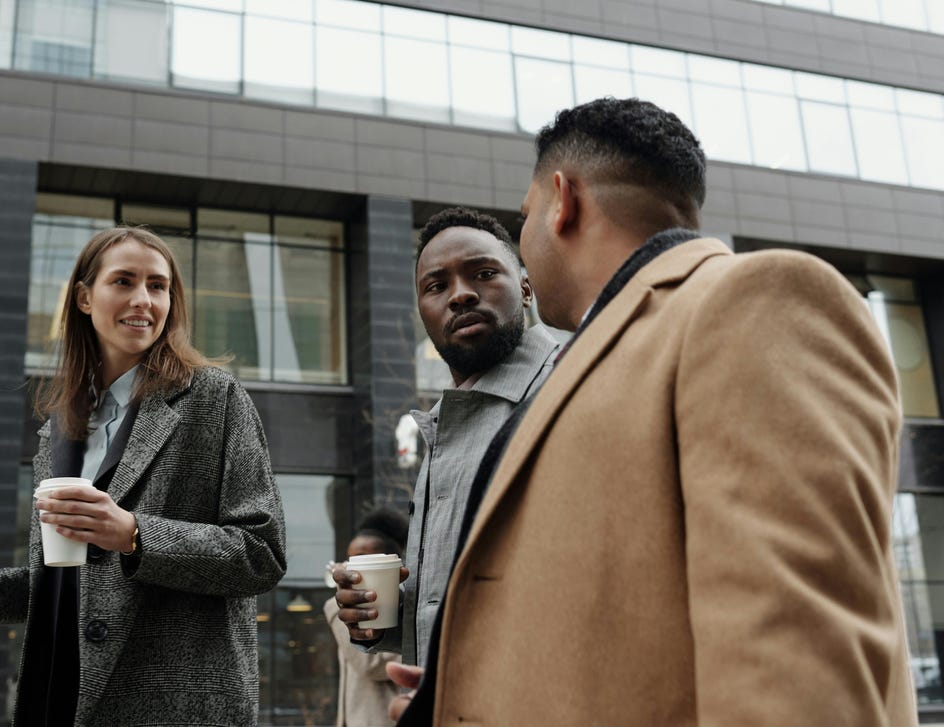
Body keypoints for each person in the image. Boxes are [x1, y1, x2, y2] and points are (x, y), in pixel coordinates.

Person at [392, 97, 916, 725]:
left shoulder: (757, 302)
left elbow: (795, 664)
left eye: (524, 217)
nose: (524, 243)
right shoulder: (598, 360)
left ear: (565, 201)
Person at [0, 226, 287, 726]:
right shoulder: (63, 427)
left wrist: (134, 534)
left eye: (158, 286)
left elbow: (261, 554)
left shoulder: (213, 399)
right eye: (124, 281)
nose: (143, 299)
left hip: (172, 707)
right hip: (60, 696)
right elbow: (69, 580)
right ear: (85, 298)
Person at [333, 207, 561, 668]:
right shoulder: (445, 423)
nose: (460, 295)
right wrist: (386, 618)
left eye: (483, 273)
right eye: (436, 286)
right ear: (423, 310)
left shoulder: (570, 389)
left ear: (525, 286)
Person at [324, 507, 410, 727]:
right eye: (350, 559)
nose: (352, 566)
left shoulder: (404, 605)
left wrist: (335, 607)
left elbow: (370, 665)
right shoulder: (355, 602)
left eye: (362, 558)